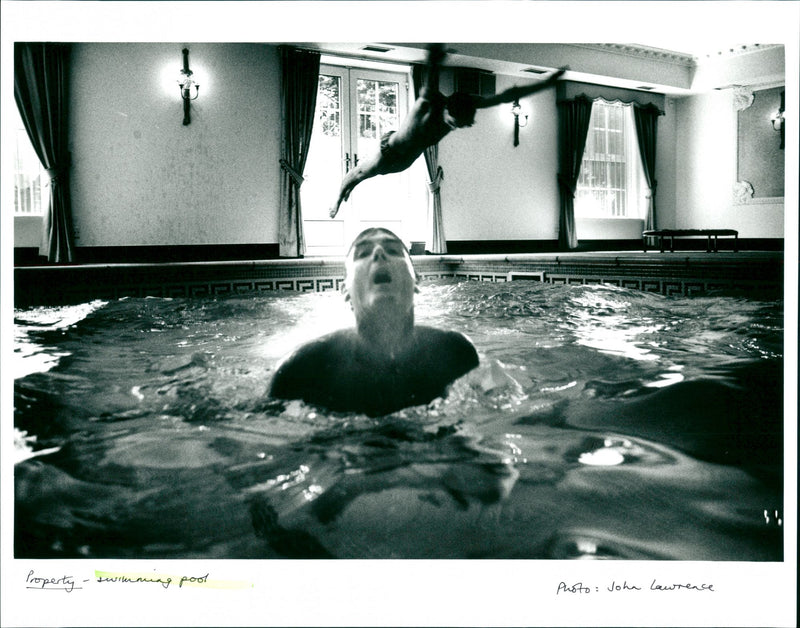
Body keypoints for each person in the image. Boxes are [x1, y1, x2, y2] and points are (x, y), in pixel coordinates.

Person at [329, 44, 566, 218]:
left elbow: (507, 96)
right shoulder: (428, 103)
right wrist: (435, 51)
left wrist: (546, 82)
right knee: (358, 175)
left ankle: (348, 188)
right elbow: (431, 73)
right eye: (453, 123)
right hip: (390, 150)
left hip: (407, 159)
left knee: (368, 176)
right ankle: (338, 198)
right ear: (445, 110)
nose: (453, 127)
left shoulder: (468, 104)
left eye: (458, 125)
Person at [269, 227, 479, 416]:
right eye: (363, 254)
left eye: (394, 251)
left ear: (416, 281)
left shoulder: (455, 354)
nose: (379, 253)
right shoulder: (302, 371)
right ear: (346, 291)